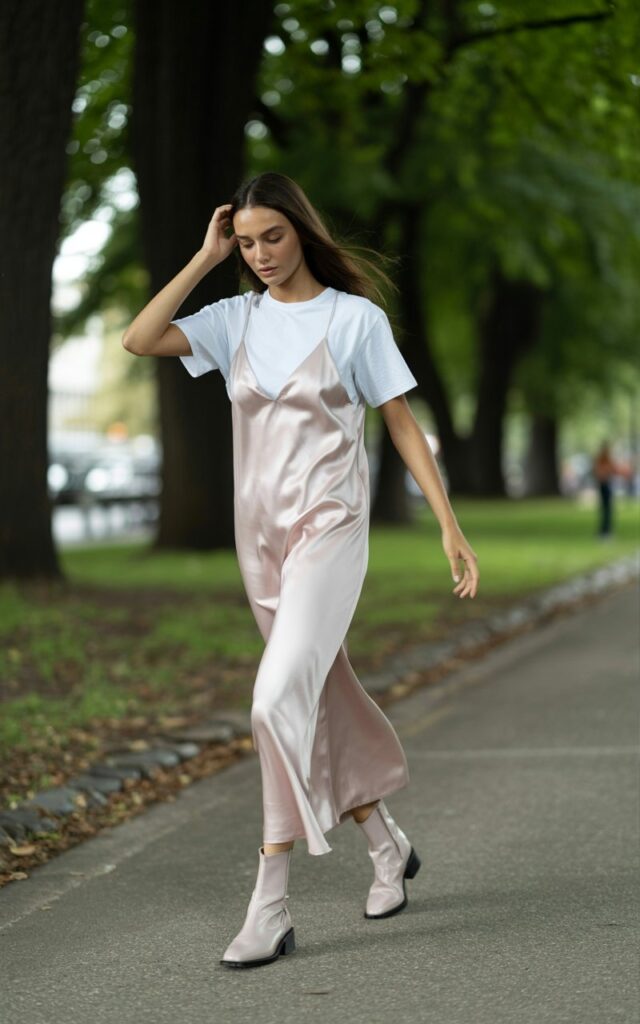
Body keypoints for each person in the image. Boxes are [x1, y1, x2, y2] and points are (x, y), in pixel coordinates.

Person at [122, 171, 479, 969]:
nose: (261, 255)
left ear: (302, 231)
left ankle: (270, 902)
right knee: (314, 695)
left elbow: (403, 425)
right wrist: (204, 258)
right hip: (263, 546)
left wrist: (451, 527)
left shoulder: (355, 320)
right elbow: (140, 339)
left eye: (271, 237)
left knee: (274, 699)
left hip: (331, 530)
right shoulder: (234, 318)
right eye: (246, 243)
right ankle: (386, 847)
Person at [592, 440, 628, 539]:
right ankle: (604, 532)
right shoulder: (601, 460)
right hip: (604, 485)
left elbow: (614, 471)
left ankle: (606, 530)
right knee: (606, 509)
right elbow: (601, 473)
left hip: (606, 485)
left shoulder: (606, 460)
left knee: (608, 509)